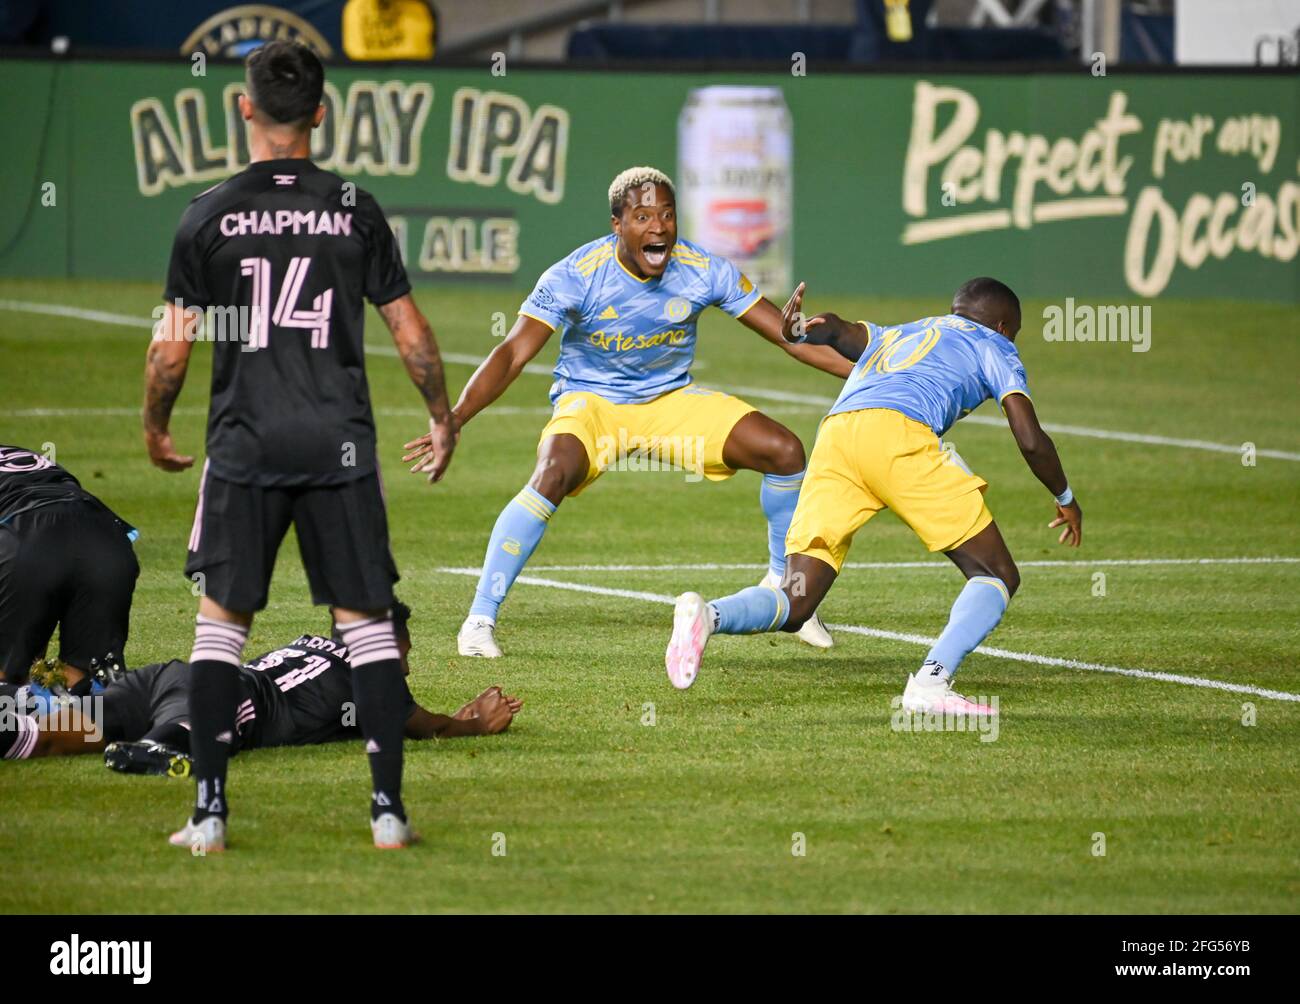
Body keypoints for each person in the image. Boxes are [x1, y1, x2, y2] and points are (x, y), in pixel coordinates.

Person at [142, 40, 457, 851]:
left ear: (243, 108)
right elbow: (411, 333)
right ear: (321, 112)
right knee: (367, 628)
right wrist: (440, 414)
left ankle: (208, 814)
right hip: (338, 446)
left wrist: (156, 425)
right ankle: (388, 814)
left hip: (245, 444)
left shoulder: (206, 213)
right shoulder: (355, 208)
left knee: (220, 630)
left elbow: (170, 349)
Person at [403, 166, 852, 660]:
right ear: (617, 223)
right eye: (642, 216)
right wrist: (455, 417)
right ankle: (479, 619)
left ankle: (785, 591)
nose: (658, 227)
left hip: (669, 402)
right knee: (552, 473)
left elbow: (789, 340)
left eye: (666, 214)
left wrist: (874, 376)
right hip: (592, 404)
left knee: (785, 451)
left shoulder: (704, 270)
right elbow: (511, 353)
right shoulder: (575, 275)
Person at [665, 277, 1084, 712]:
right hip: (897, 435)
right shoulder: (994, 345)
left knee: (796, 600)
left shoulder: (907, 330)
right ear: (1003, 325)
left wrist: (801, 329)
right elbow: (1030, 438)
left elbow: (839, 331)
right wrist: (1065, 496)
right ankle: (930, 685)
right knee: (996, 573)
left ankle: (708, 615)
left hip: (838, 436)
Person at [0, 602, 522, 774]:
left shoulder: (311, 643)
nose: (406, 667)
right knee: (174, 741)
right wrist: (475, 722)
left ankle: (17, 726)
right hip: (218, 699)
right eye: (404, 652)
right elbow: (425, 727)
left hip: (174, 677)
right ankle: (164, 746)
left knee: (49, 736)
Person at [0, 444, 139, 685]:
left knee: (6, 692)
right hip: (106, 536)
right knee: (88, 690)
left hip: (25, 537)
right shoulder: (20, 454)